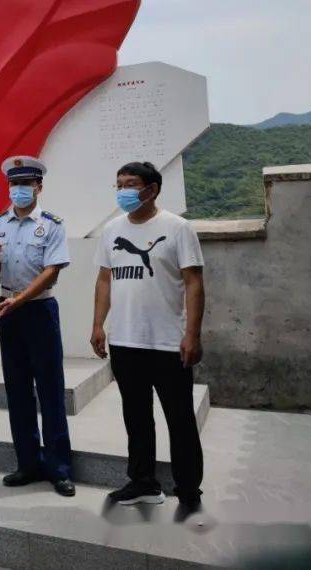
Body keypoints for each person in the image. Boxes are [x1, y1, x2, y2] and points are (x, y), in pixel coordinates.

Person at [91, 161, 205, 512]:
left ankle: (188, 492)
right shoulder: (111, 230)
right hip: (126, 342)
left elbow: (194, 282)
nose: (124, 191)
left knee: (180, 419)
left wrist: (192, 334)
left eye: (131, 184)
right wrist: (98, 325)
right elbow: (105, 280)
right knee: (136, 417)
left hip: (168, 343)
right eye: (119, 184)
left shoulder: (177, 228)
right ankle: (143, 482)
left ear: (152, 189)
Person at [0, 156, 75, 497]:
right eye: (13, 184)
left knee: (50, 390)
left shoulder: (52, 225)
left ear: (39, 187)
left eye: (25, 184)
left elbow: (52, 270)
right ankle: (27, 463)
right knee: (18, 390)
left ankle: (59, 468)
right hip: (8, 314)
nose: (18, 190)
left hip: (39, 311)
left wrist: (19, 299)